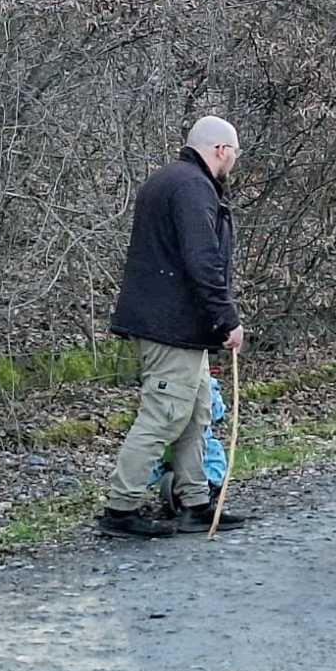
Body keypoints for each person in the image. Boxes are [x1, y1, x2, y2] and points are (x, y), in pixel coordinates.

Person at [97, 116, 251, 539]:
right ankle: (120, 509)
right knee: (163, 416)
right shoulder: (192, 188)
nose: (233, 163)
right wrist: (227, 318)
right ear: (220, 150)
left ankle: (195, 501)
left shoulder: (170, 181)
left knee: (196, 413)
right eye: (233, 155)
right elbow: (202, 259)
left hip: (179, 325)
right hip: (171, 327)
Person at [152, 372, 230, 516]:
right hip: (196, 435)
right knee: (212, 455)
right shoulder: (207, 383)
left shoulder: (160, 379)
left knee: (154, 458)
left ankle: (140, 487)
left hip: (164, 432)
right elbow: (217, 412)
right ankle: (211, 484)